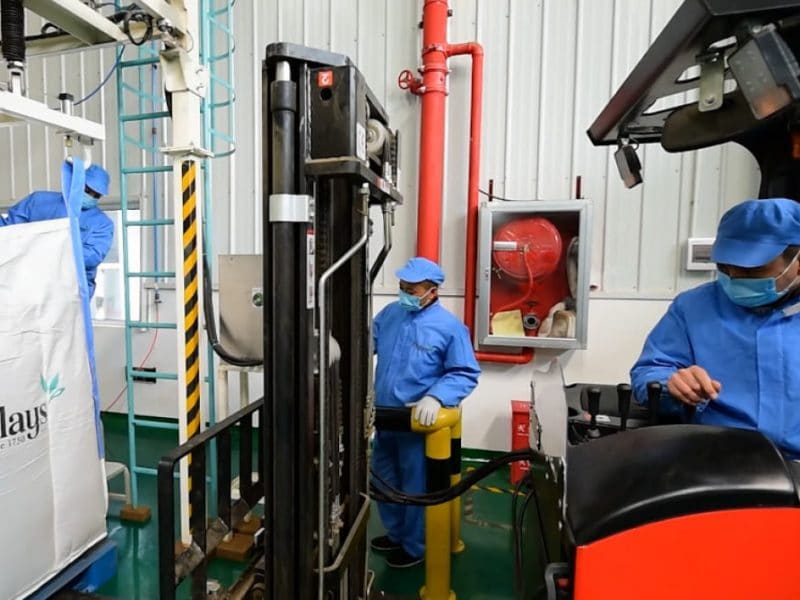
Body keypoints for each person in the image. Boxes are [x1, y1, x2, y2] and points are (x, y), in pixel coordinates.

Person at [631, 198, 800, 457]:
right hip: (716, 462)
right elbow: (649, 371)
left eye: (752, 269)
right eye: (725, 267)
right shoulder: (692, 308)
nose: (735, 278)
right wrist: (671, 385)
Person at [371, 257, 480, 568]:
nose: (404, 293)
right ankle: (395, 534)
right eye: (402, 287)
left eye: (412, 289)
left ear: (432, 292)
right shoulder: (392, 314)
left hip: (417, 426)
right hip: (384, 418)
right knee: (383, 480)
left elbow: (464, 372)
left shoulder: (450, 328)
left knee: (415, 488)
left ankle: (415, 547)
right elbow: (366, 341)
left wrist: (436, 397)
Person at [0, 162, 114, 298]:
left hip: (69, 289)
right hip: (26, 280)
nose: (90, 196)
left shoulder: (102, 223)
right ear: (76, 182)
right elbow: (9, 231)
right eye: (87, 190)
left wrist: (46, 249)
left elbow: (91, 257)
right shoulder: (39, 201)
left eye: (96, 195)